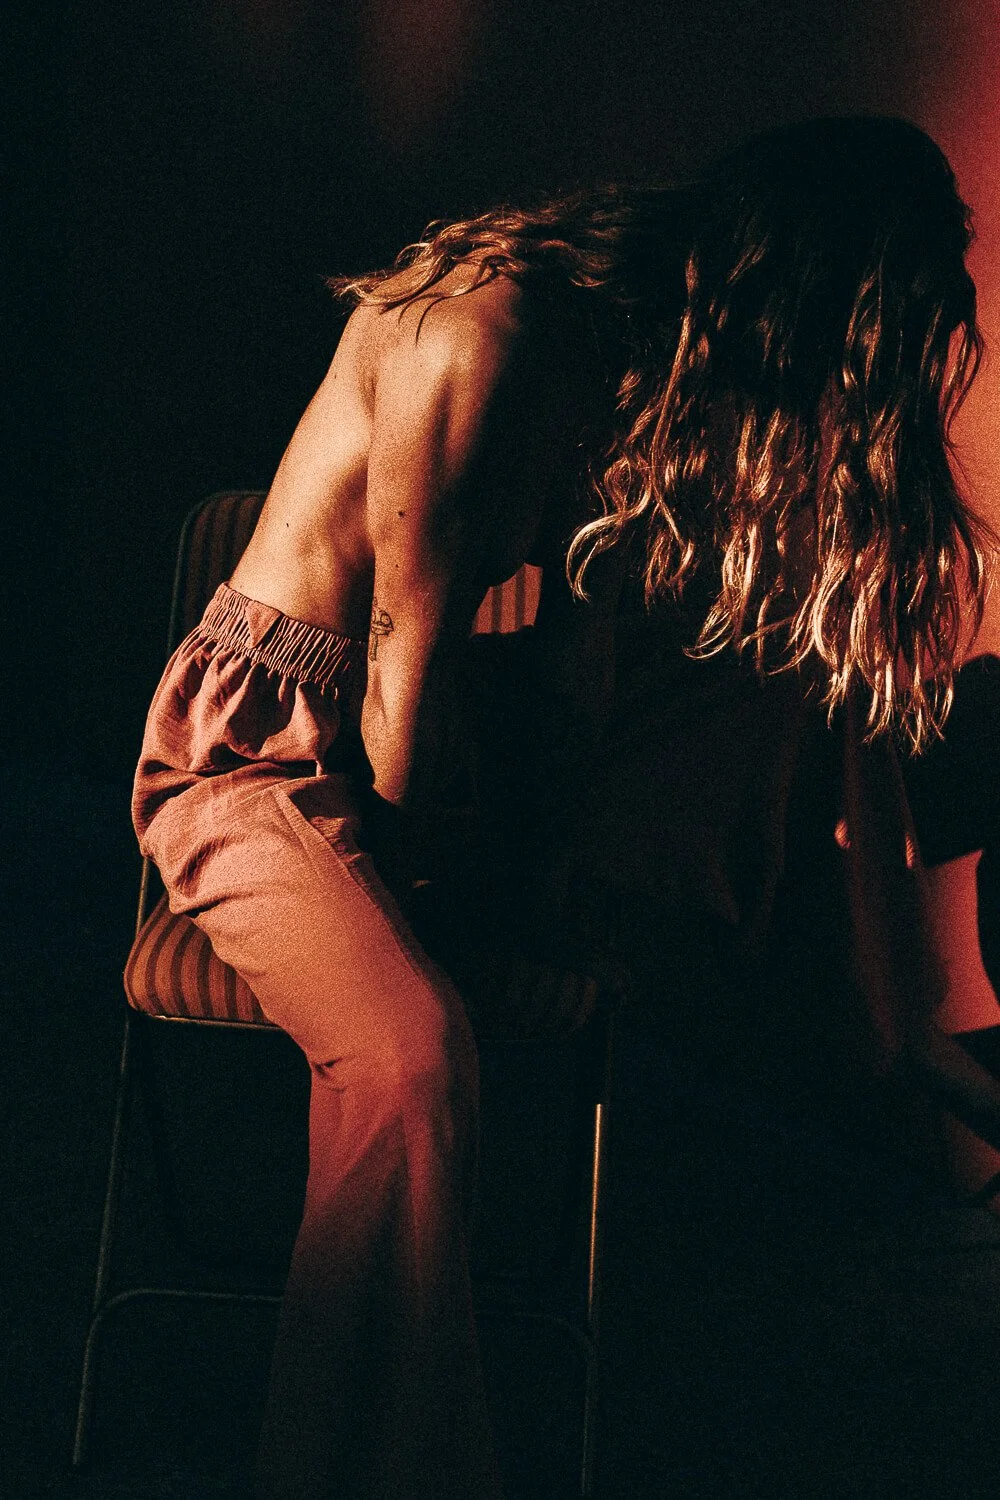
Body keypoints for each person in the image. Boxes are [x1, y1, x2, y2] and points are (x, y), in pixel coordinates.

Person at [132, 116, 996, 1499]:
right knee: (412, 1053)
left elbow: (569, 666)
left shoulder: (654, 364)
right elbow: (398, 667)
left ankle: (885, 1043)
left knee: (799, 665)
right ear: (786, 280)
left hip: (462, 746)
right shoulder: (483, 333)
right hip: (271, 756)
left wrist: (543, 877)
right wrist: (448, 925)